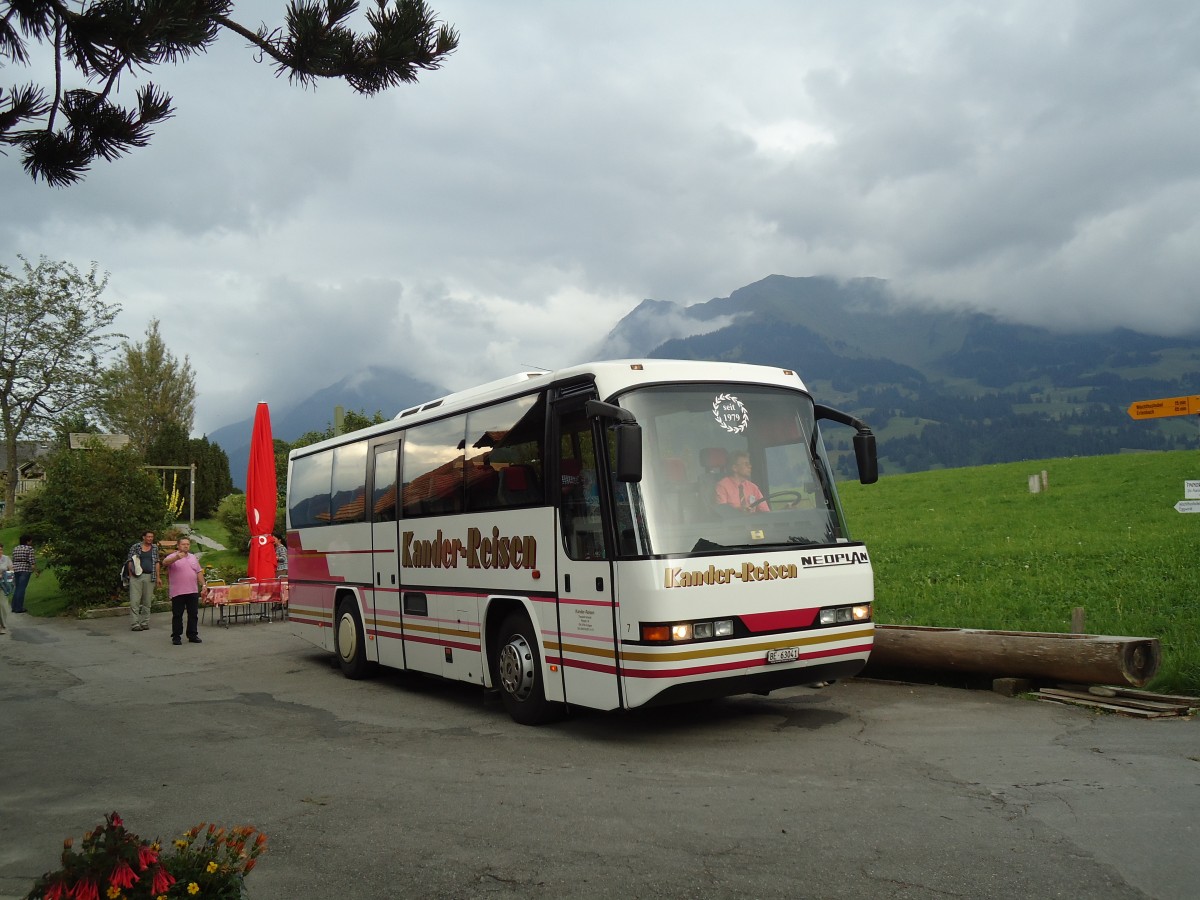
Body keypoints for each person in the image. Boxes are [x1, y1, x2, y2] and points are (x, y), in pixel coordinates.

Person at [163, 537, 206, 645]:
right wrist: (176, 557)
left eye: (187, 544)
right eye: (183, 544)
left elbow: (199, 571)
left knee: (193, 614)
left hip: (192, 590)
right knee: (178, 615)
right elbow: (165, 562)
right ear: (178, 545)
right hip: (178, 591)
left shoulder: (193, 557)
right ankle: (176, 636)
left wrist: (204, 584)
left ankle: (192, 635)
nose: (186, 546)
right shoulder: (173, 556)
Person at [125, 531, 160, 631]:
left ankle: (145, 622)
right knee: (135, 600)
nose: (150, 539)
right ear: (143, 537)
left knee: (147, 601)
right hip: (137, 576)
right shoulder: (136, 547)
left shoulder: (154, 548)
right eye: (148, 537)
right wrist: (131, 575)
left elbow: (157, 562)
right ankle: (135, 623)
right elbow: (130, 561)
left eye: (152, 537)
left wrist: (158, 577)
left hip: (150, 576)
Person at [11, 534, 38, 614]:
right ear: (27, 541)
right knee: (22, 588)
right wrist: (36, 571)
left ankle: (14, 606)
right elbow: (32, 561)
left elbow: (13, 559)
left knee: (17, 587)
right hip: (25, 569)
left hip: (16, 568)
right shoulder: (29, 549)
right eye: (30, 541)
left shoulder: (15, 548)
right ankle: (19, 607)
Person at [0, 542, 11, 635]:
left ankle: (3, 625)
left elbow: (11, 570)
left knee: (2, 605)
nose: (0, 551)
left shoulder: (6, 558)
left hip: (3, 584)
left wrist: (5, 574)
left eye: (1, 549)